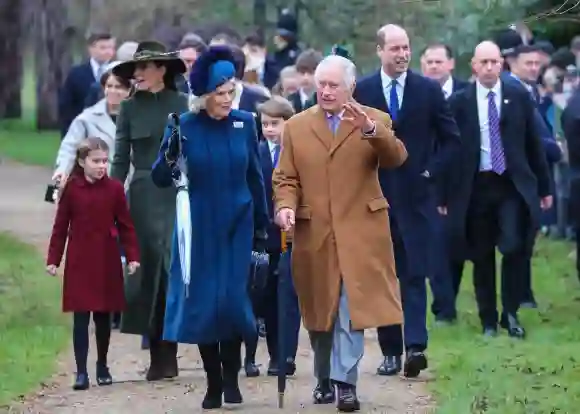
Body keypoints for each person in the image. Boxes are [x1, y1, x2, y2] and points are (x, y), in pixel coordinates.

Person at [273, 54, 407, 412]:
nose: (326, 91)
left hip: (360, 231)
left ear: (351, 87)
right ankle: (323, 376)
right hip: (314, 231)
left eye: (334, 85)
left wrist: (369, 131)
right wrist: (285, 205)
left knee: (350, 308)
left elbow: (396, 157)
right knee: (321, 314)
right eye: (322, 85)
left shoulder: (374, 119)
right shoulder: (298, 126)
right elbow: (285, 177)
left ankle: (345, 383)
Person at [151, 45, 269, 410]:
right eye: (220, 93)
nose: (228, 99)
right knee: (205, 306)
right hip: (199, 227)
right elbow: (160, 177)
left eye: (231, 91)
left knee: (231, 304)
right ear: (203, 96)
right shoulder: (183, 125)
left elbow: (255, 179)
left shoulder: (245, 123)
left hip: (237, 225)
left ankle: (232, 375)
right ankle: (214, 381)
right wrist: (169, 153)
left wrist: (263, 231)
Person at [354, 24, 460, 378]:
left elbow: (451, 140)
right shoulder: (363, 91)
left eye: (406, 48)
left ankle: (416, 346)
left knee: (414, 274)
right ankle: (389, 351)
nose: (402, 54)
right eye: (395, 48)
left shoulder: (427, 90)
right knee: (384, 277)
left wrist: (430, 172)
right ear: (380, 50)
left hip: (416, 199)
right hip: (375, 199)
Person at [447, 41, 552, 338]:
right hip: (477, 186)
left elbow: (534, 145)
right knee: (481, 254)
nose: (490, 67)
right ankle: (488, 319)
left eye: (495, 62)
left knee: (513, 245)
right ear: (474, 66)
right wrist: (445, 194)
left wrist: (544, 187)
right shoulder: (461, 102)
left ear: (502, 64)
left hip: (511, 186)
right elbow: (451, 151)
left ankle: (510, 312)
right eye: (484, 62)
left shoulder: (518, 97)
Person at [110, 40, 188, 381]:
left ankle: (168, 350)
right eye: (134, 69)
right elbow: (118, 158)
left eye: (143, 68)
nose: (138, 74)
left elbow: (192, 153)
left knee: (170, 268)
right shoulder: (128, 109)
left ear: (162, 69)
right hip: (140, 196)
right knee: (144, 273)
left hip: (174, 193)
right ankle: (155, 350)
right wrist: (109, 200)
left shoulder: (182, 104)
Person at [46, 137, 139, 391]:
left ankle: (102, 365)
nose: (101, 166)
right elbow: (60, 228)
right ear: (81, 161)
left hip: (106, 258)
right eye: (96, 161)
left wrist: (132, 256)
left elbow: (126, 226)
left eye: (104, 161)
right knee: (80, 317)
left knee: (103, 316)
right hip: (79, 260)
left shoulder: (115, 189)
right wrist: (54, 260)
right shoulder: (71, 190)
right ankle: (81, 372)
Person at [256, 96, 300, 376]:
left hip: (291, 233)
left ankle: (286, 354)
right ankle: (273, 354)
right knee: (268, 297)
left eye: (275, 124)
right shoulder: (256, 152)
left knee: (289, 295)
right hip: (264, 233)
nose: (269, 129)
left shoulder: (297, 152)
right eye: (265, 124)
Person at [59, 32, 116, 137]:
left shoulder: (118, 73)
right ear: (91, 49)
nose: (108, 52)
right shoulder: (76, 74)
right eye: (103, 48)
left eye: (111, 48)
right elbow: (66, 107)